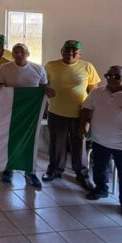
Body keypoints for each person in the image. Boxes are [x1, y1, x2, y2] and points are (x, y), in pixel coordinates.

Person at [78, 66, 122, 220]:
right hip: (100, 140)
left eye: (116, 76)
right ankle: (101, 189)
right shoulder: (97, 92)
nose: (111, 78)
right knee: (99, 168)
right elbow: (86, 109)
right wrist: (83, 125)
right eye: (108, 75)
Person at [43, 40, 100, 191]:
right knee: (56, 144)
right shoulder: (51, 65)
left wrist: (89, 113)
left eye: (74, 51)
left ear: (79, 54)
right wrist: (45, 89)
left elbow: (94, 91)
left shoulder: (87, 66)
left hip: (79, 114)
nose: (70, 53)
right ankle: (54, 170)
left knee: (79, 145)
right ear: (61, 51)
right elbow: (42, 82)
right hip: (56, 112)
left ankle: (82, 175)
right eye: (67, 50)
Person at [0, 43, 52, 189]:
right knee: (10, 139)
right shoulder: (5, 68)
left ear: (28, 53)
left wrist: (47, 102)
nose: (19, 54)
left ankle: (30, 170)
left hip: (31, 114)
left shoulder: (38, 69)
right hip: (10, 111)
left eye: (22, 52)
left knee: (31, 141)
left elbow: (43, 89)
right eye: (16, 52)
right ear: (12, 54)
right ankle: (9, 168)